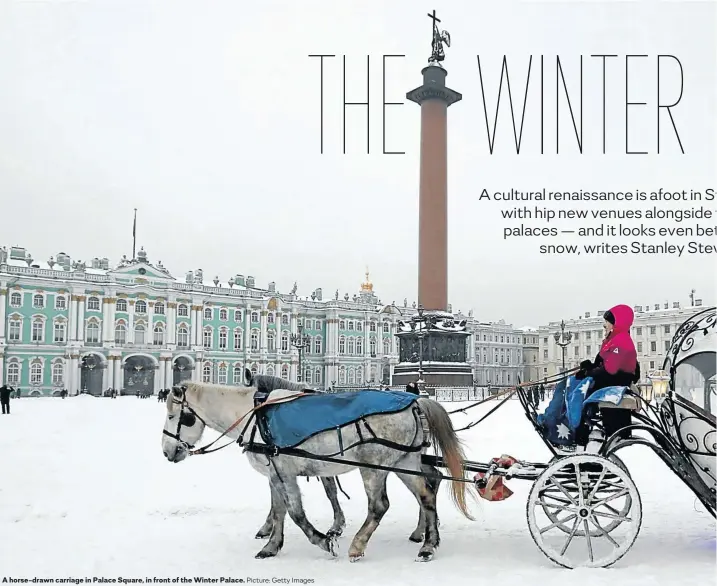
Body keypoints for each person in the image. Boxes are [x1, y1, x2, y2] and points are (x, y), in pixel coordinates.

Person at [576, 304, 640, 441]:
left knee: (577, 391)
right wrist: (590, 367)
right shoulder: (614, 340)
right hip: (610, 381)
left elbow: (610, 369)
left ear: (616, 323)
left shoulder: (621, 340)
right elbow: (603, 363)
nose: (604, 325)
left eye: (607, 322)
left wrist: (589, 373)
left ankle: (576, 432)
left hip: (613, 382)